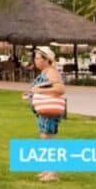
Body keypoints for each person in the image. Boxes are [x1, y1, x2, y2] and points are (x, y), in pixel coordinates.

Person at [26, 46, 65, 182]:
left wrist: (39, 91)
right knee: (44, 137)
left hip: (50, 110)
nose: (35, 61)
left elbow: (60, 89)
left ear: (46, 60)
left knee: (49, 139)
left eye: (38, 58)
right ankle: (47, 169)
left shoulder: (51, 72)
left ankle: (52, 172)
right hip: (44, 110)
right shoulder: (45, 72)